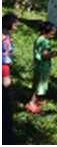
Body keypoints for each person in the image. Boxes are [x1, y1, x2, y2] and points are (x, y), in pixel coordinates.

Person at [25, 22, 57, 113]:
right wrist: (53, 54)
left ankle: (36, 100)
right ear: (45, 31)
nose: (53, 35)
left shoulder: (39, 39)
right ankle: (31, 103)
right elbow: (45, 55)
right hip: (43, 66)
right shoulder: (45, 42)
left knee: (37, 83)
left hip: (38, 65)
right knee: (39, 86)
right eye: (52, 33)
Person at [2, 13, 19, 145]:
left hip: (5, 66)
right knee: (7, 95)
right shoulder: (4, 38)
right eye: (15, 23)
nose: (17, 26)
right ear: (9, 24)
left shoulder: (6, 36)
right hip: (4, 68)